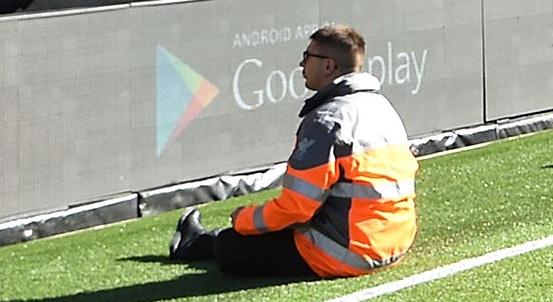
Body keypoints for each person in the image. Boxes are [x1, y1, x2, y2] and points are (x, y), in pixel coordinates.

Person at [168, 23, 418, 279]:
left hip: (345, 252)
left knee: (234, 245)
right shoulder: (382, 106)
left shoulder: (327, 120)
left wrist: (245, 219)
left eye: (307, 57)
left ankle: (196, 242)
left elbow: (298, 207)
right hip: (396, 242)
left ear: (328, 66)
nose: (301, 65)